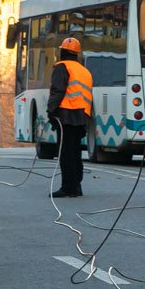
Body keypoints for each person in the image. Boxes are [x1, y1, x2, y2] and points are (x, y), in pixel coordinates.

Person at [46, 37, 93, 198]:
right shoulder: (84, 71)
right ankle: (76, 186)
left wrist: (51, 111)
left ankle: (68, 188)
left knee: (66, 153)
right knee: (75, 152)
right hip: (82, 116)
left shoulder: (62, 67)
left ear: (63, 52)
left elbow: (57, 90)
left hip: (67, 115)